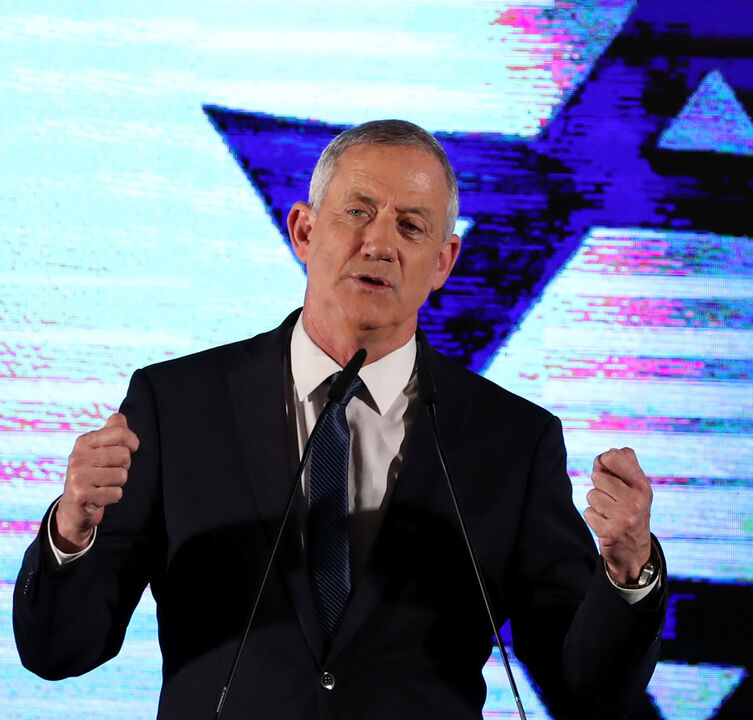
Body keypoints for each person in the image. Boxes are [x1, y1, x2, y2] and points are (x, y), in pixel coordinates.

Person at [13, 120, 667, 719]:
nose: (380, 242)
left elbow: (588, 691)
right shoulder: (176, 405)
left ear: (443, 263)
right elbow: (58, 650)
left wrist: (627, 571)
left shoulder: (512, 441)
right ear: (303, 230)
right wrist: (70, 534)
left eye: (412, 226)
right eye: (358, 212)